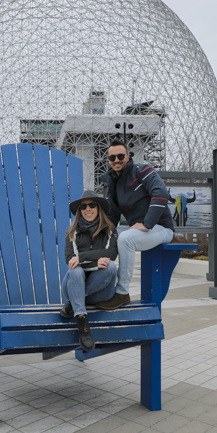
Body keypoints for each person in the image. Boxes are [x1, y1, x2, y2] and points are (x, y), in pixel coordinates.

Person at [97, 139, 174, 310]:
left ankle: (122, 293)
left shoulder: (143, 170)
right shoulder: (113, 184)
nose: (116, 160)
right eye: (112, 157)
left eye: (120, 156)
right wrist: (101, 234)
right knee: (108, 236)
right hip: (140, 230)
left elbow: (161, 193)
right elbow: (112, 214)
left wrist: (147, 224)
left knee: (125, 239)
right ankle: (99, 288)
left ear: (128, 156)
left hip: (161, 228)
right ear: (108, 160)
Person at [59, 190, 119, 351]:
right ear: (80, 211)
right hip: (73, 281)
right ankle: (82, 323)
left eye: (92, 205)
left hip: (100, 293)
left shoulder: (110, 230)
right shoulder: (72, 233)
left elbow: (110, 254)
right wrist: (94, 263)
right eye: (83, 206)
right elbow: (71, 261)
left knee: (111, 267)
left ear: (98, 207)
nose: (88, 209)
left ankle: (73, 302)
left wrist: (84, 257)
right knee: (76, 271)